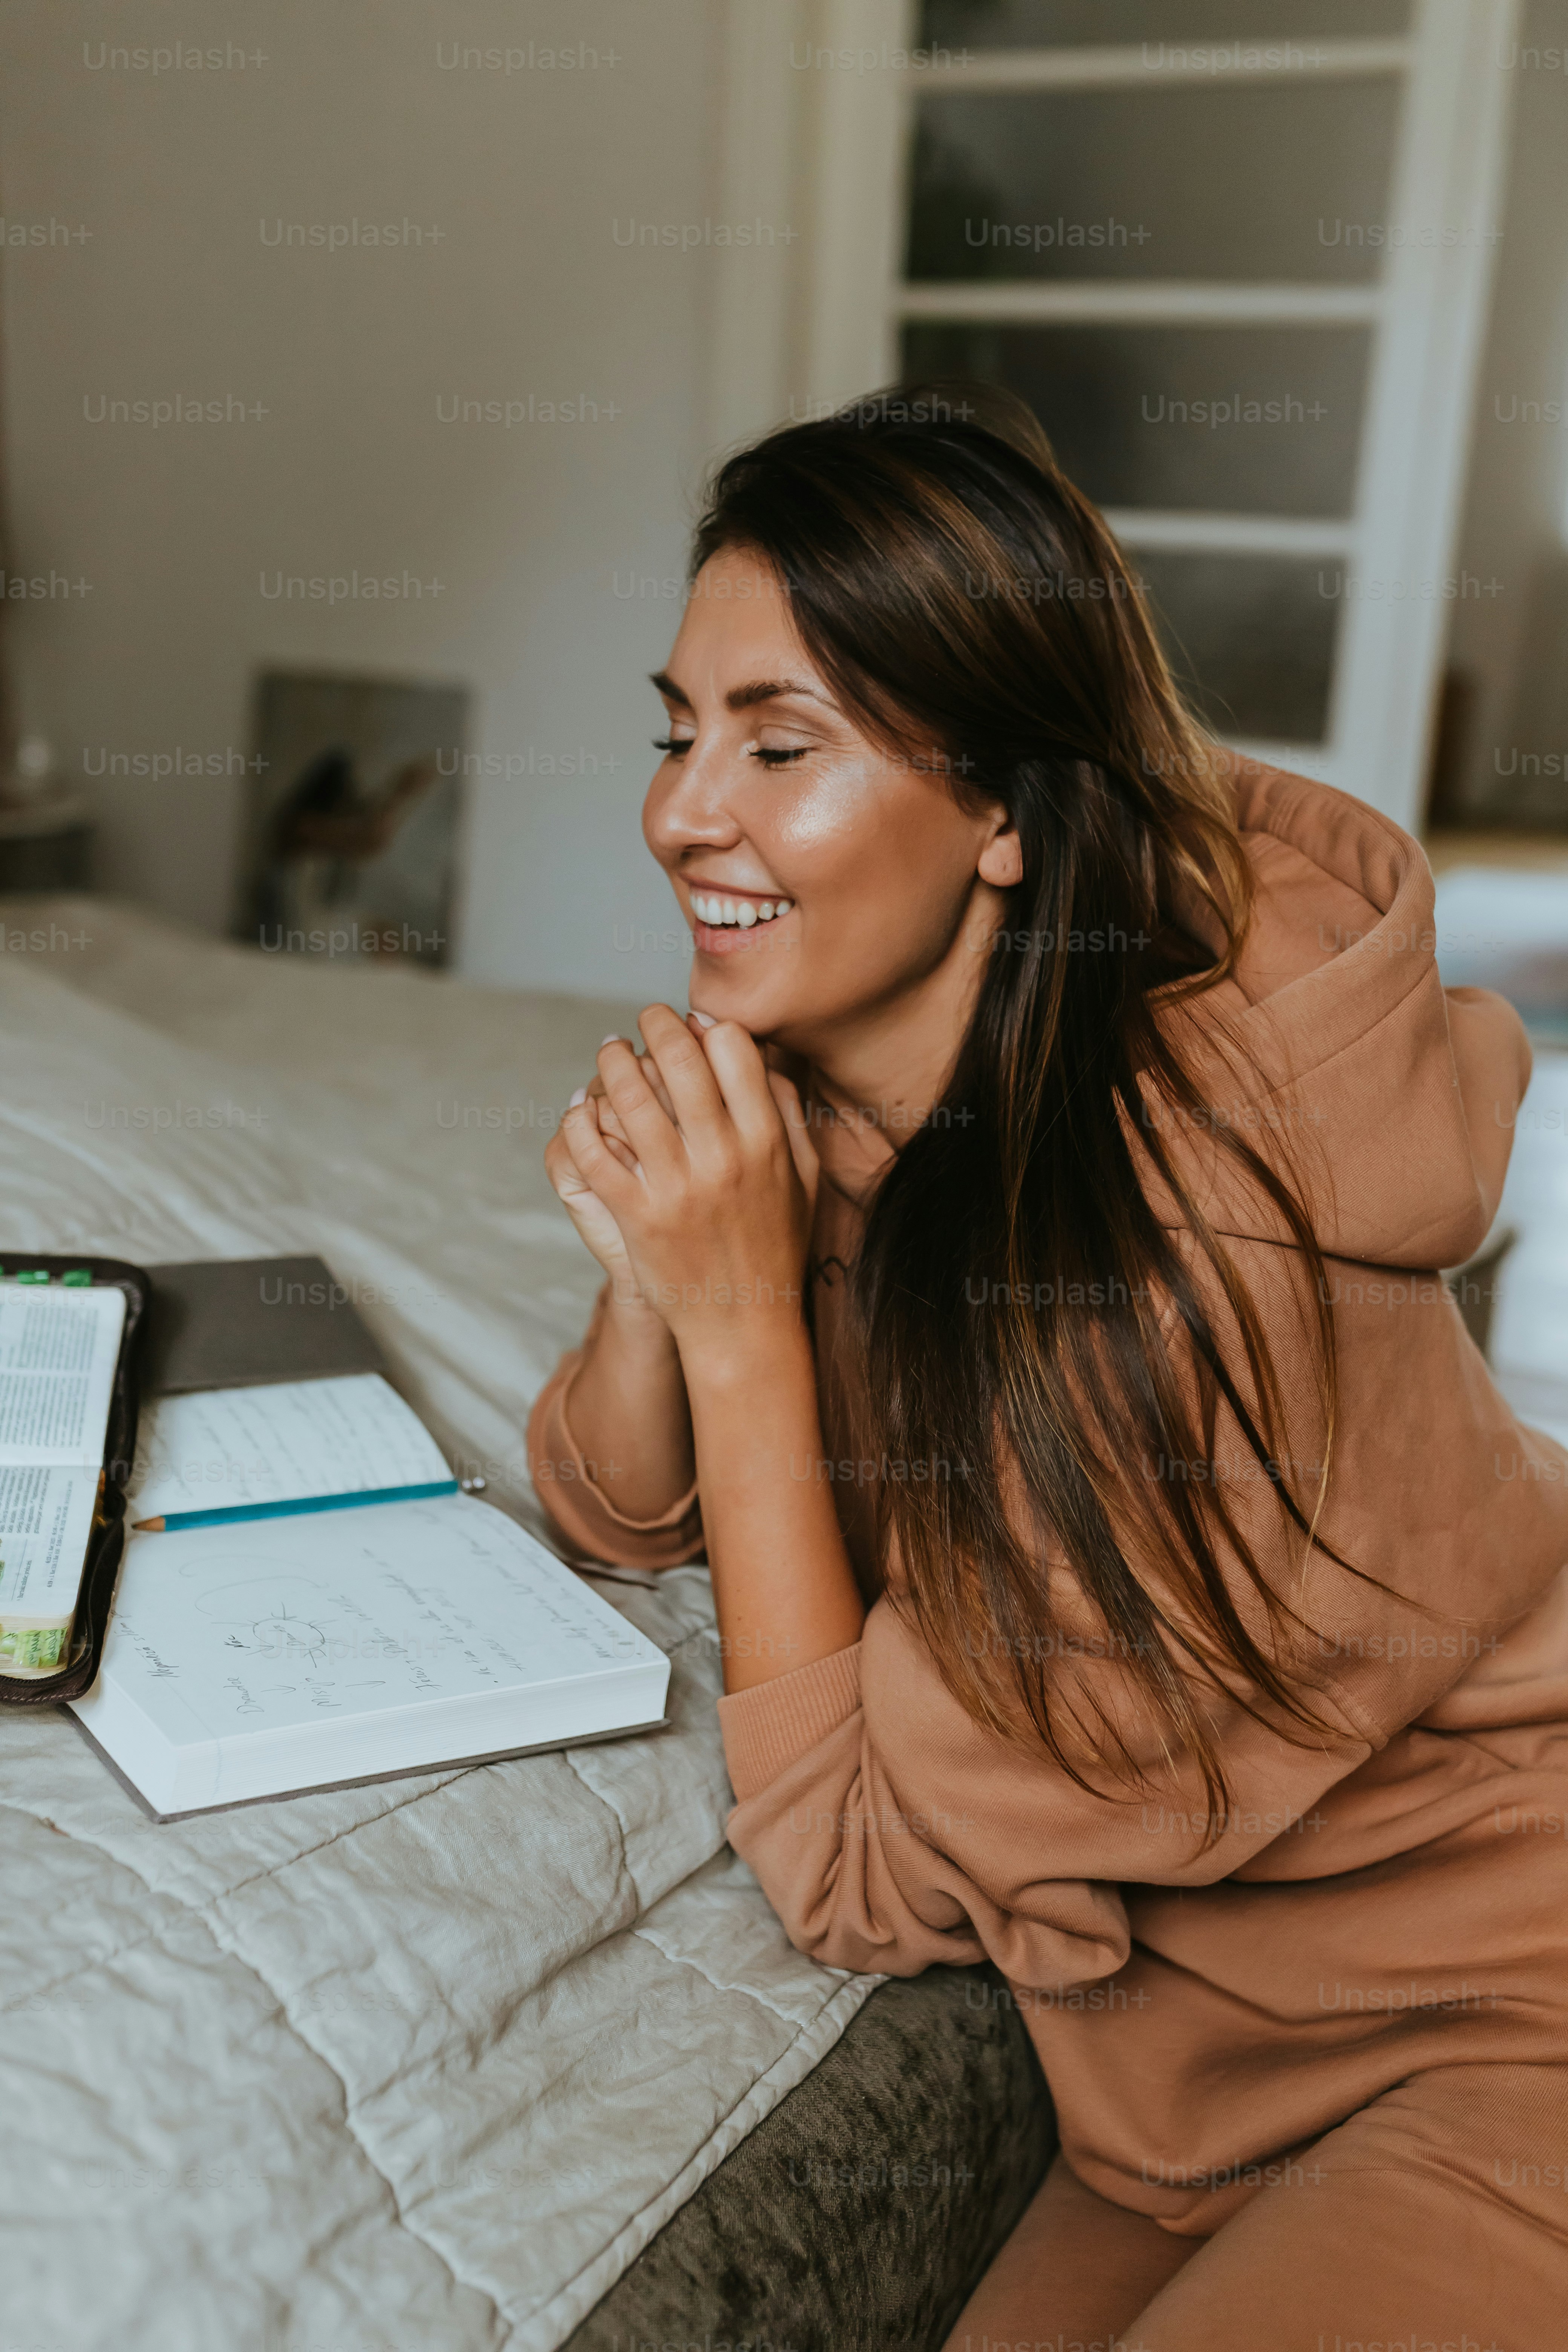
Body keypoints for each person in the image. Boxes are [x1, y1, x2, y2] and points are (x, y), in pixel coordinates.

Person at [528, 386, 1568, 2347]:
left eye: (783, 744)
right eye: (680, 730)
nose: (681, 810)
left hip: (1513, 2017)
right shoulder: (881, 1079)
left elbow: (845, 1875)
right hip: (1185, 2092)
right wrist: (668, 1249)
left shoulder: (1185, 1267)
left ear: (1002, 810)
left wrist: (743, 1319)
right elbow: (610, 1500)